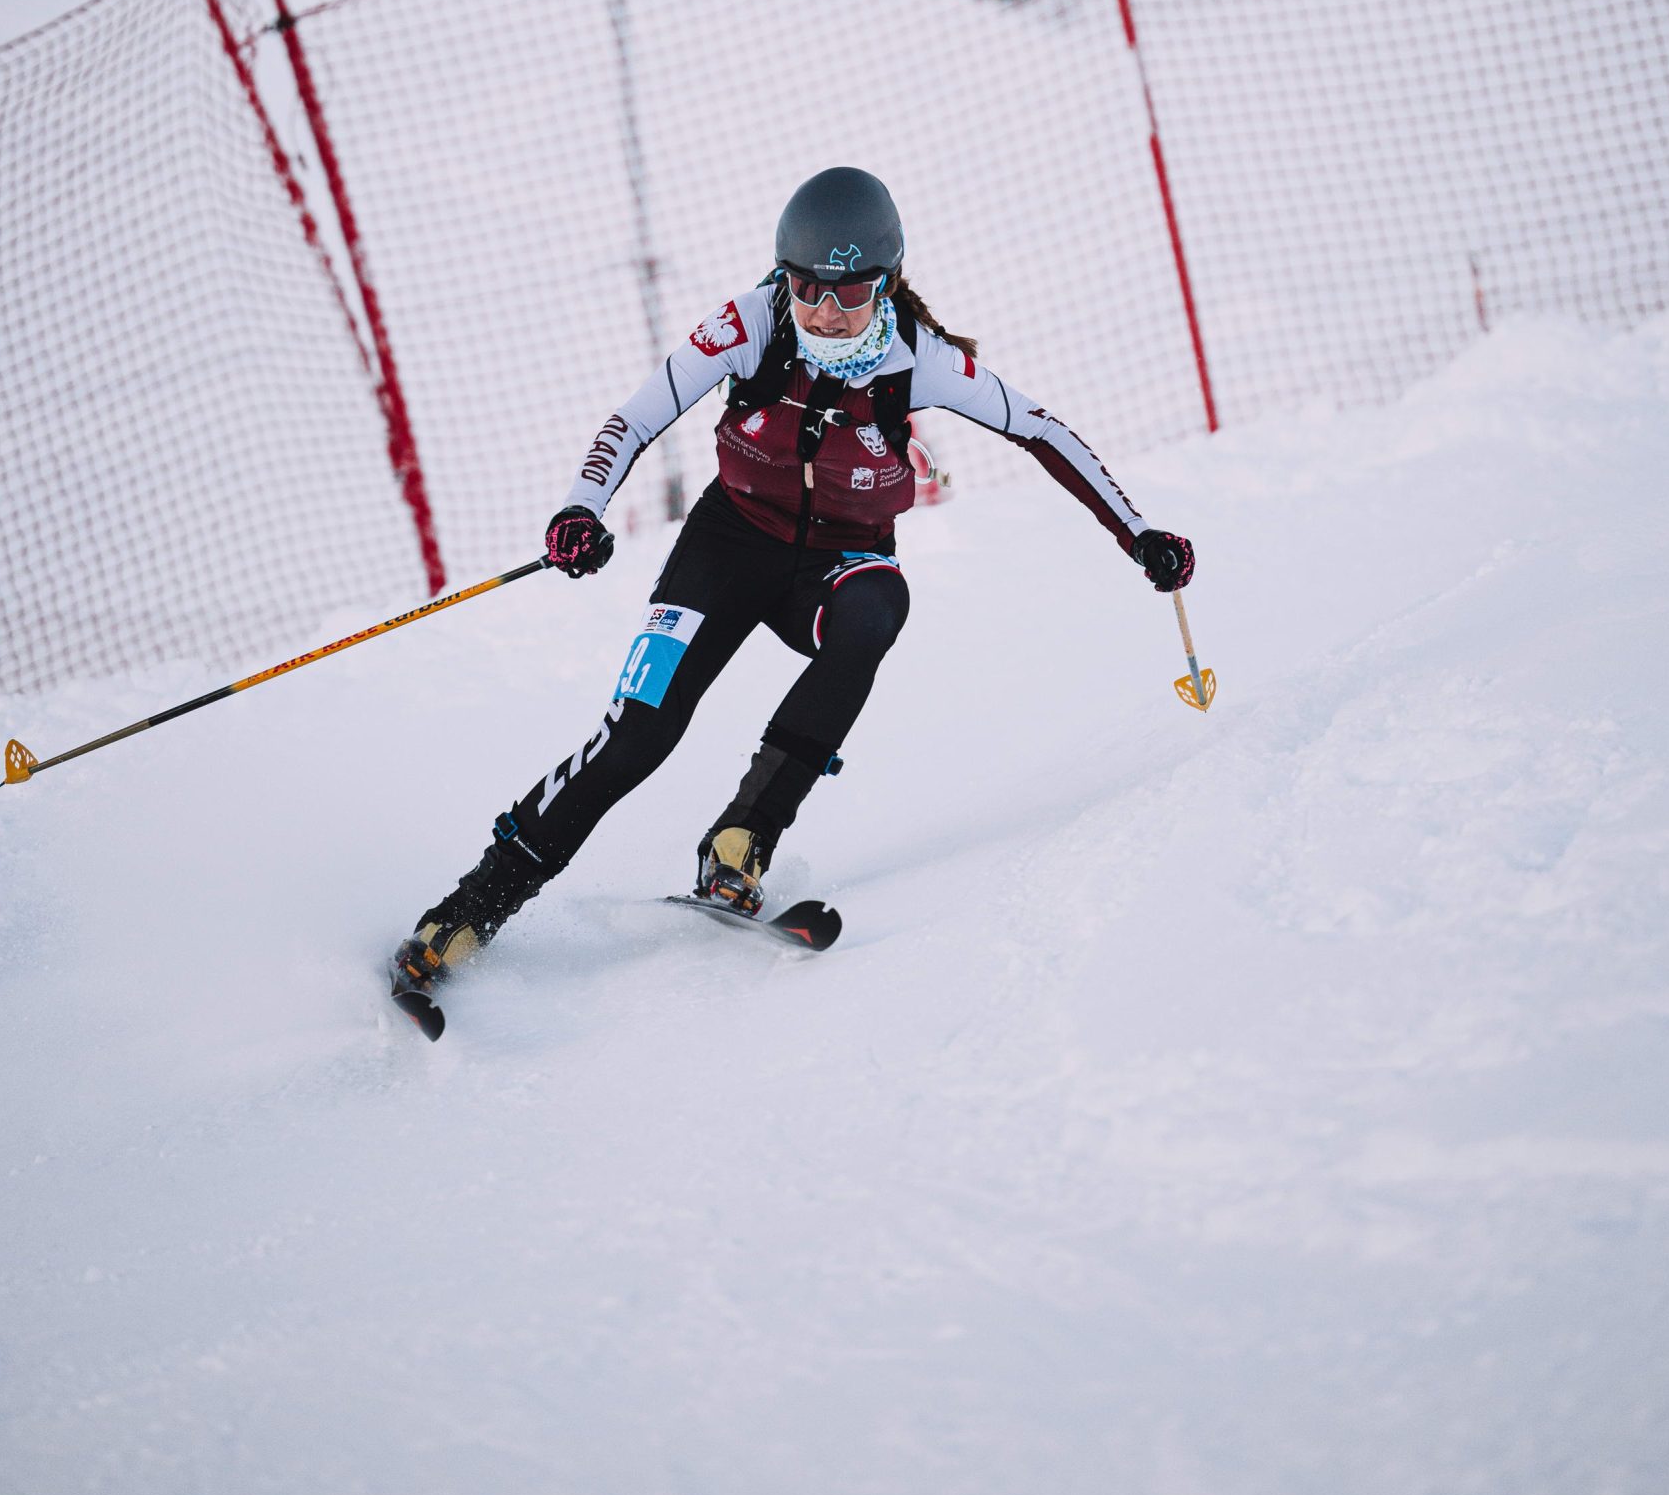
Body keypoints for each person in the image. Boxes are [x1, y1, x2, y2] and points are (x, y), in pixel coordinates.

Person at [390, 166, 1194, 1004]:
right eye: (808, 288)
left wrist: (1135, 532)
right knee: (637, 737)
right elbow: (633, 419)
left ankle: (743, 837)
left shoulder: (918, 358)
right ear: (784, 276)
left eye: (852, 294)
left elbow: (1041, 429)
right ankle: (469, 910)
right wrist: (581, 509)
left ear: (887, 283)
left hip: (840, 559)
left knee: (875, 613)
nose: (827, 311)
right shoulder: (747, 324)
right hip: (726, 546)